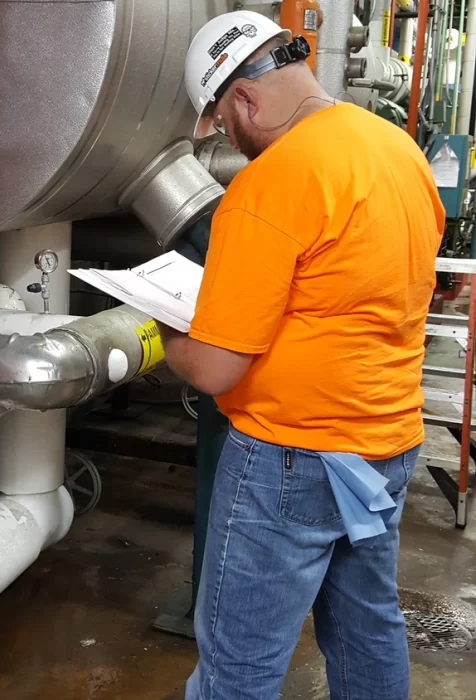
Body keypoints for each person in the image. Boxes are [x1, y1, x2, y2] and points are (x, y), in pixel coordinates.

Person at [160, 10, 445, 700]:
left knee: (239, 666)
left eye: (224, 123)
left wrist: (167, 331)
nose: (228, 137)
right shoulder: (396, 149)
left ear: (245, 98)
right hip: (384, 446)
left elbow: (216, 367)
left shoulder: (270, 184)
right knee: (366, 632)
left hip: (292, 461)